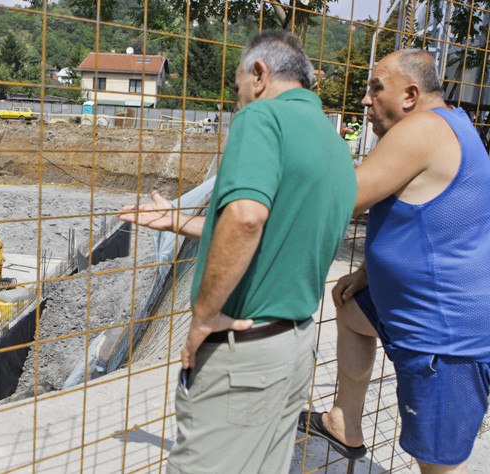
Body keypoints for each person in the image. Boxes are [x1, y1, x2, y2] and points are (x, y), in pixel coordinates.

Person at [120, 30, 356, 474]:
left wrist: (204, 316)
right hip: (294, 348)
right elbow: (280, 230)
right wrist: (179, 221)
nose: (237, 101)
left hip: (242, 355)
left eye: (237, 88)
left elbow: (247, 219)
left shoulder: (261, 118)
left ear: (260, 75)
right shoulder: (334, 145)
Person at [298, 49, 490, 474]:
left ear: (410, 95)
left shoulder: (421, 129)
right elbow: (429, 215)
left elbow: (343, 199)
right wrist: (369, 272)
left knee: (437, 466)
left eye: (375, 87)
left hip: (443, 340)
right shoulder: (453, 123)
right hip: (413, 311)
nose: (365, 100)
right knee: (350, 309)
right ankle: (343, 423)